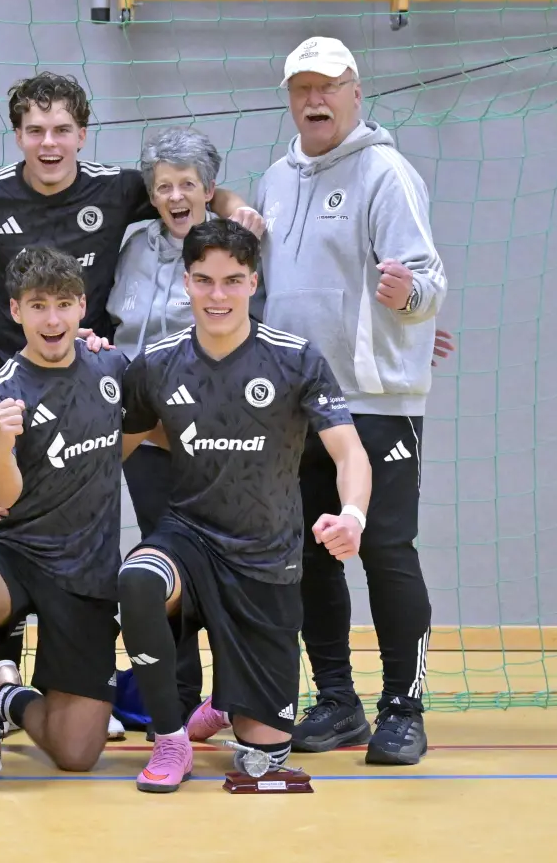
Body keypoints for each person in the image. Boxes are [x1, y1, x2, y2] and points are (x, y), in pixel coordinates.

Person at [115, 219, 371, 793]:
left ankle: (230, 707)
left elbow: (349, 450)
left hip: (266, 557)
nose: (218, 295)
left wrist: (351, 516)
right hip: (188, 539)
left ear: (254, 282)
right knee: (136, 580)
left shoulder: (295, 359)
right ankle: (170, 738)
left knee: (262, 762)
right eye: (204, 280)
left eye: (233, 280)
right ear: (186, 283)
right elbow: (115, 447)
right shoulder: (155, 362)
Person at [257, 37, 447, 765]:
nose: (315, 99)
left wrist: (410, 299)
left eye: (328, 87)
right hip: (296, 405)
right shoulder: (274, 179)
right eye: (302, 87)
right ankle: (337, 701)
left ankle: (405, 704)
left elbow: (428, 278)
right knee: (312, 555)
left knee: (386, 550)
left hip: (377, 399)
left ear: (355, 93)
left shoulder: (386, 172)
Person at [0, 247, 134, 790]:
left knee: (76, 755)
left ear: (82, 308)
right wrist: (2, 443)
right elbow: (3, 499)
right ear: (15, 311)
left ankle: (7, 697)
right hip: (19, 550)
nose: (52, 319)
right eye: (38, 305)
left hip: (87, 566)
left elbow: (138, 436)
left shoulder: (112, 366)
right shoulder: (1, 391)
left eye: (63, 305)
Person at [0, 73, 258, 379]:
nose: (49, 143)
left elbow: (183, 192)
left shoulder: (114, 189)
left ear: (82, 136)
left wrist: (236, 208)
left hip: (92, 368)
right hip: (10, 368)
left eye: (62, 130)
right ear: (18, 136)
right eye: (36, 131)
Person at [108, 125, 230, 721]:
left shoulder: (233, 253)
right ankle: (180, 699)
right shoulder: (132, 248)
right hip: (141, 440)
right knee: (164, 566)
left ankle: (234, 695)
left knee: (223, 563)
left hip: (212, 440)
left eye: (187, 184)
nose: (176, 196)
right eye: (163, 186)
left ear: (209, 188)